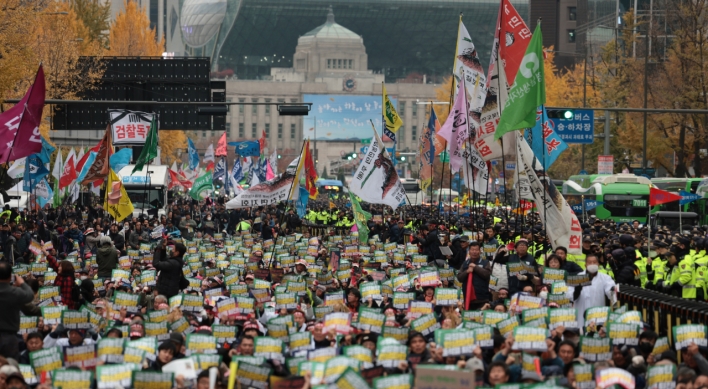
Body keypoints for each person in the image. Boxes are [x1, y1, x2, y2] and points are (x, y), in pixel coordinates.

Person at [0, 262, 34, 360]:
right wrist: (22, 282)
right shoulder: (15, 293)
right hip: (10, 338)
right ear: (10, 276)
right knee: (11, 367)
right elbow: (29, 295)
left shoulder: (14, 292)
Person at [573, 253, 616, 329]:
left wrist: (613, 292)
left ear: (598, 264)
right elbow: (571, 296)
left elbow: (611, 293)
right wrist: (577, 289)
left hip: (597, 315)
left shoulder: (605, 278)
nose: (592, 264)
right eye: (589, 262)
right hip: (580, 314)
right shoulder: (577, 277)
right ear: (585, 265)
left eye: (594, 262)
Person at [457, 240, 491, 310]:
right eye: (472, 250)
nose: (474, 252)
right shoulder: (465, 263)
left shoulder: (485, 262)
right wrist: (467, 271)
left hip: (482, 298)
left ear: (480, 251)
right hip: (468, 298)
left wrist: (475, 267)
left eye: (476, 250)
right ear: (469, 251)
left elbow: (487, 274)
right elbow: (459, 278)